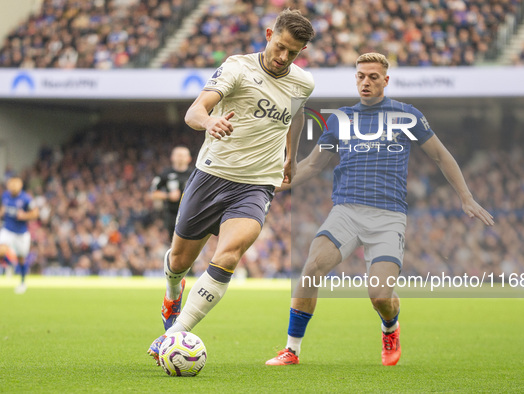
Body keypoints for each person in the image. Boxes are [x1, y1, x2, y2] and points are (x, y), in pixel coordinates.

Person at [265, 53, 494, 366]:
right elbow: (314, 164)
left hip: (388, 216)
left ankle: (390, 326)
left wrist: (466, 197)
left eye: (373, 76)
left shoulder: (406, 115)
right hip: (346, 210)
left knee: (379, 296)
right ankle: (292, 349)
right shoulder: (341, 118)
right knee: (312, 267)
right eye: (361, 76)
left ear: (386, 80)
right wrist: (280, 182)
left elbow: (441, 156)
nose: (366, 81)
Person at [147, 9, 315, 362]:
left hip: (256, 185)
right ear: (269, 34)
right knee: (179, 261)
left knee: (228, 255)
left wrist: (291, 156)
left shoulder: (303, 82)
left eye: (293, 53)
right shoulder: (238, 67)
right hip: (212, 175)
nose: (283, 57)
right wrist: (210, 122)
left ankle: (175, 335)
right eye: (280, 47)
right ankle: (172, 291)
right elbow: (194, 111)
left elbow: (296, 114)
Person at [0, 177, 39, 294]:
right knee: (1, 249)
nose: (12, 186)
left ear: (20, 186)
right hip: (8, 229)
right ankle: (8, 263)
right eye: (11, 184)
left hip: (21, 233)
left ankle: (22, 282)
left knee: (21, 258)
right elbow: (3, 208)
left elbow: (35, 213)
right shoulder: (5, 196)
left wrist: (25, 216)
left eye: (15, 184)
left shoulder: (26, 199)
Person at [150, 146, 193, 240]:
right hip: (172, 214)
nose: (180, 158)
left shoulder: (194, 174)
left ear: (189, 158)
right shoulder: (165, 174)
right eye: (178, 155)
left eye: (182, 155)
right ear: (172, 157)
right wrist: (168, 196)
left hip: (190, 214)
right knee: (173, 241)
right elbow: (152, 193)